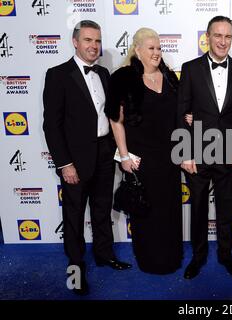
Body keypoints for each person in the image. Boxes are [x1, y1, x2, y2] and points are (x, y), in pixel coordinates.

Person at [42, 20, 131, 296]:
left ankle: (105, 255)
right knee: (74, 214)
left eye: (97, 41)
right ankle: (76, 267)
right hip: (75, 161)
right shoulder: (58, 74)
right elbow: (51, 125)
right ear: (75, 42)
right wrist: (64, 164)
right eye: (88, 40)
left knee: (102, 210)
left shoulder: (105, 73)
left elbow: (113, 115)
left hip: (104, 153)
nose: (94, 46)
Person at [105, 28, 183, 275]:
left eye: (159, 48)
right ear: (136, 49)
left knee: (169, 209)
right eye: (151, 48)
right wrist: (124, 155)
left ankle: (172, 257)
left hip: (169, 158)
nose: (156, 53)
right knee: (146, 211)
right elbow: (116, 120)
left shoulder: (170, 77)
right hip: (141, 159)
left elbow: (179, 112)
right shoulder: (123, 77)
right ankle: (150, 259)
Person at [177, 16, 232, 279]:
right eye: (218, 35)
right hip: (197, 153)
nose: (223, 41)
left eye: (228, 36)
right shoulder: (190, 68)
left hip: (228, 153)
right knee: (197, 208)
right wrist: (185, 153)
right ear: (207, 37)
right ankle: (198, 257)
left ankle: (226, 254)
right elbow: (181, 112)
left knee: (225, 206)